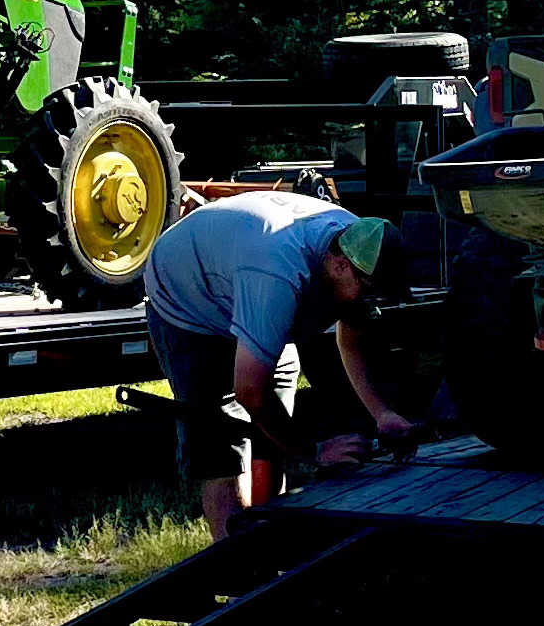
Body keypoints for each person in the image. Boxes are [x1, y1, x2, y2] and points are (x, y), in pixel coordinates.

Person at [140, 188, 418, 537]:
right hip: (189, 302)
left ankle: (271, 540)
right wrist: (315, 452)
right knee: (223, 448)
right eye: (371, 291)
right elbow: (249, 391)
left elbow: (351, 341)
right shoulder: (277, 275)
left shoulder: (357, 242)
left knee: (273, 434)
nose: (372, 301)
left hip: (245, 275)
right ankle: (235, 562)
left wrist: (381, 413)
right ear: (340, 266)